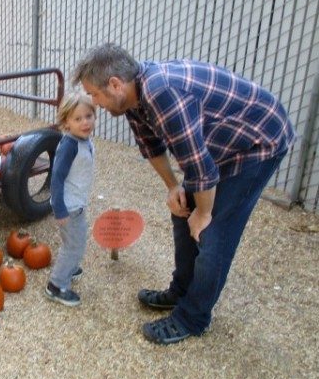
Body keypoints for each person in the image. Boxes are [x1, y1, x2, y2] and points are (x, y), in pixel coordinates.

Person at [72, 43, 295, 343]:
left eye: (95, 94)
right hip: (222, 142)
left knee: (213, 233)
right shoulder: (132, 99)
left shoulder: (162, 93)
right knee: (181, 210)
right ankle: (181, 290)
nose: (95, 103)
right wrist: (174, 187)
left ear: (115, 84)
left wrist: (204, 214)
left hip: (259, 140)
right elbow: (152, 147)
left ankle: (193, 317)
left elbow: (202, 170)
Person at [46, 92, 96, 307]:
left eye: (88, 116)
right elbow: (56, 177)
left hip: (77, 202)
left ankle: (70, 266)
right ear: (66, 122)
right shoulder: (69, 145)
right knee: (74, 244)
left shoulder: (83, 140)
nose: (85, 122)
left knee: (75, 239)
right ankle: (56, 285)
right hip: (69, 205)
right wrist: (60, 209)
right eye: (78, 119)